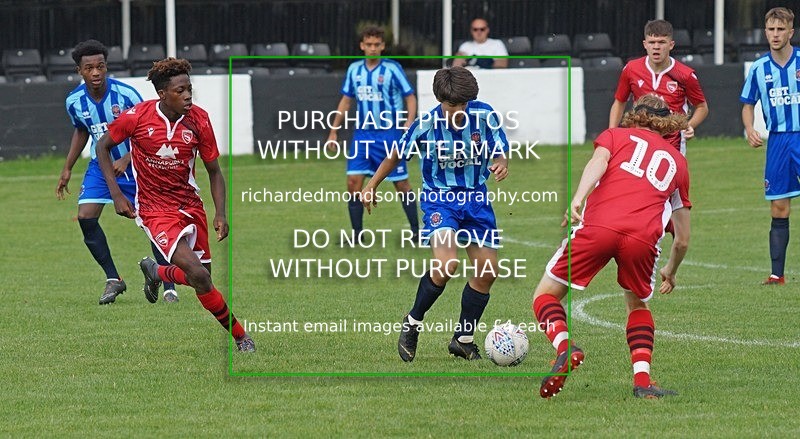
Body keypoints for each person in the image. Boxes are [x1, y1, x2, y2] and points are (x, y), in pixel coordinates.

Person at [533, 94, 690, 399]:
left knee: (545, 295)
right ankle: (643, 382)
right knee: (637, 305)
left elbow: (599, 161)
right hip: (642, 239)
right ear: (669, 123)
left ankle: (565, 348)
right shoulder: (679, 163)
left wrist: (578, 197)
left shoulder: (615, 135)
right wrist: (670, 270)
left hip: (599, 226)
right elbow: (682, 238)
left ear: (634, 115)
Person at [94, 58, 254, 352]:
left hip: (190, 206)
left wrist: (220, 212)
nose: (188, 96)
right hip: (155, 209)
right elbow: (102, 146)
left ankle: (156, 272)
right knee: (200, 276)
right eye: (180, 91)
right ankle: (242, 337)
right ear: (162, 94)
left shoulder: (199, 120)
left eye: (190, 89)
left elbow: (214, 171)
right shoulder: (137, 117)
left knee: (200, 279)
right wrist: (116, 194)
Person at [361, 66, 510, 361]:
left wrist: (502, 163)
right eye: (452, 105)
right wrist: (372, 184)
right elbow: (396, 154)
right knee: (446, 264)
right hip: (439, 200)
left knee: (487, 271)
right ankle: (413, 322)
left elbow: (500, 149)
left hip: (476, 200)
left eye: (463, 104)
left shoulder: (485, 115)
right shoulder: (425, 125)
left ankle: (463, 339)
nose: (458, 111)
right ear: (441, 100)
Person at [55, 39, 177, 305]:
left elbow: (151, 130)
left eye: (100, 66)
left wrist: (128, 156)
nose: (96, 72)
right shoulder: (74, 101)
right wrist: (67, 168)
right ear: (80, 71)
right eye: (89, 68)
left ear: (106, 66)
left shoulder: (127, 95)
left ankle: (168, 285)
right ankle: (114, 278)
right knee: (86, 216)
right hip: (101, 167)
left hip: (138, 166)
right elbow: (81, 130)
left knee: (152, 223)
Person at [609, 19, 708, 287]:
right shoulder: (632, 69)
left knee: (669, 204)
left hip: (672, 150)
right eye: (652, 42)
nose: (656, 47)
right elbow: (619, 101)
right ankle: (640, 241)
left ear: (671, 45)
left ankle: (662, 242)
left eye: (661, 42)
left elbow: (701, 107)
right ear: (644, 44)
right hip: (638, 148)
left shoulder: (685, 75)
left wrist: (689, 125)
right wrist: (613, 133)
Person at [327, 25, 419, 243]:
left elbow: (410, 97)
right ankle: (357, 235)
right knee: (352, 184)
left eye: (377, 44)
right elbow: (346, 101)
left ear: (383, 46)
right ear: (362, 46)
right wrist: (333, 131)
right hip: (362, 135)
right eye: (368, 44)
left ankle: (417, 231)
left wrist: (409, 123)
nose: (372, 48)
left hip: (390, 134)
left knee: (401, 183)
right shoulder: (354, 70)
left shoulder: (393, 69)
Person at [741, 7, 800, 286]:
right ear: (766, 32)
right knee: (779, 207)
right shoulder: (759, 68)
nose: (775, 34)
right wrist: (750, 128)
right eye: (771, 29)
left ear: (791, 31)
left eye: (781, 29)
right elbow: (748, 104)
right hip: (777, 142)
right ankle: (777, 275)